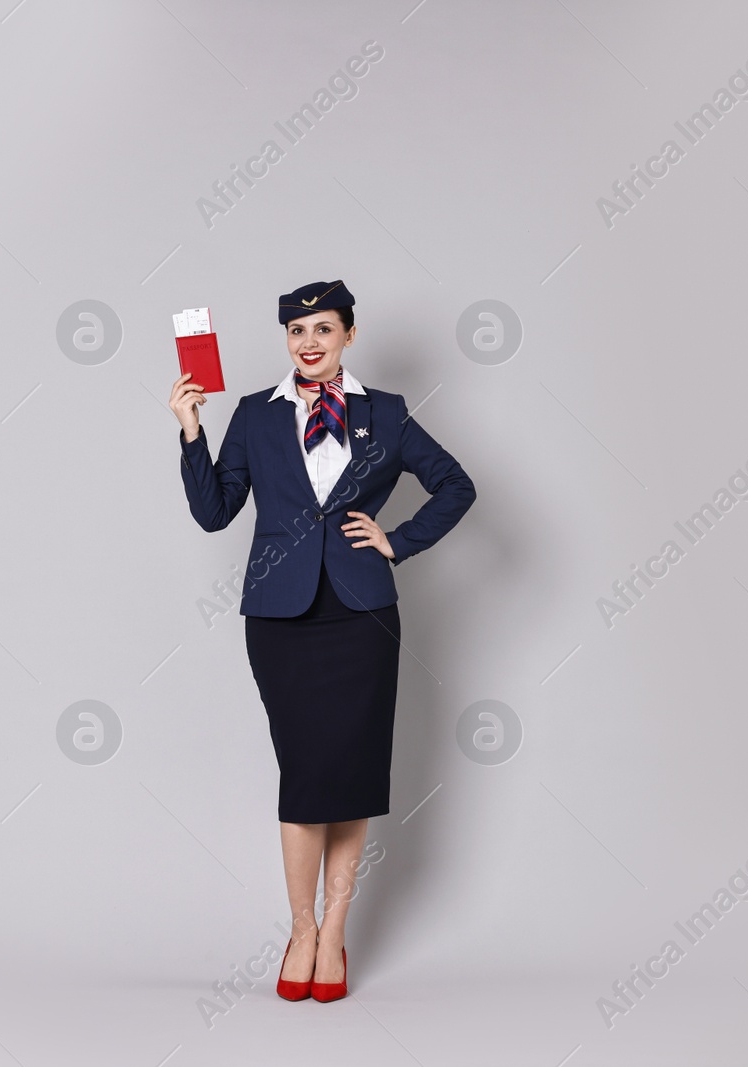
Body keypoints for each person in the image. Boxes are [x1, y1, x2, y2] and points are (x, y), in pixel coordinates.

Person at [170, 279, 476, 1002]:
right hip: (279, 617)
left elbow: (456, 485)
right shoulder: (253, 414)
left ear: (349, 335)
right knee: (306, 776)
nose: (309, 343)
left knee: (352, 775)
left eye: (323, 329)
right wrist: (191, 430)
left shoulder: (388, 414)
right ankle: (300, 926)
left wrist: (396, 542)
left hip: (362, 617)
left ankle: (335, 927)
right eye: (297, 331)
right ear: (287, 339)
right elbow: (216, 513)